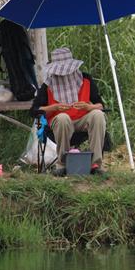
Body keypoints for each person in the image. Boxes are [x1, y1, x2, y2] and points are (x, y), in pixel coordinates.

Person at [31, 47, 107, 175]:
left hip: (83, 120)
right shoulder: (47, 85)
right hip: (60, 124)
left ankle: (96, 164)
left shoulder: (86, 79)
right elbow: (34, 110)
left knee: (98, 115)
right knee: (63, 118)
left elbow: (101, 105)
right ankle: (62, 164)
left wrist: (89, 107)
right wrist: (53, 108)